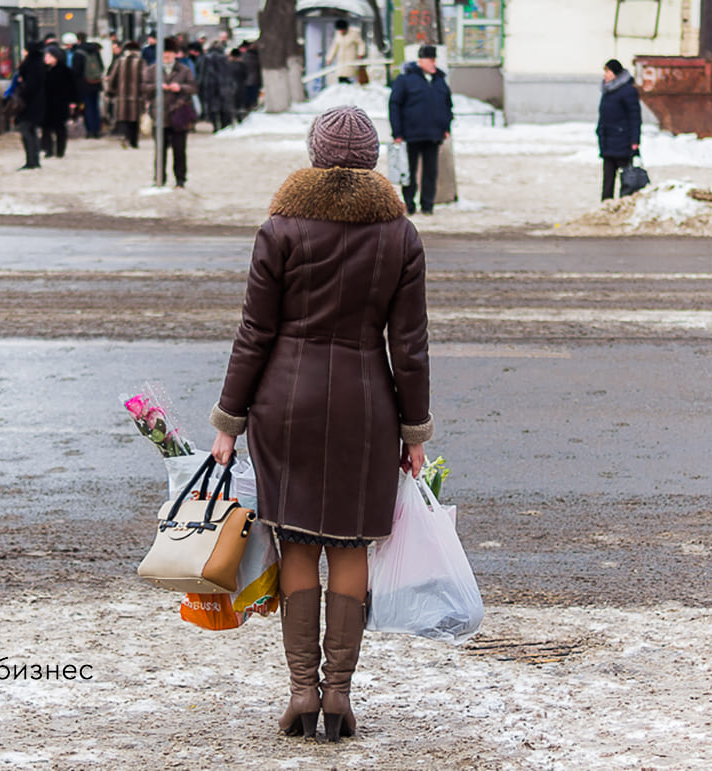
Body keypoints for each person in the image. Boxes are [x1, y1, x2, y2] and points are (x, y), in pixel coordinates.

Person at [209, 105, 432, 743]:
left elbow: (255, 331)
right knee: (352, 546)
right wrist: (415, 431)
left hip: (286, 401)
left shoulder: (280, 229)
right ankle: (339, 697)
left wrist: (229, 419)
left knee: (299, 543)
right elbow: (409, 345)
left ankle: (301, 692)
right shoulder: (400, 235)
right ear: (373, 159)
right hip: (367, 405)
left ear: (315, 155)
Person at [388, 45, 453, 215]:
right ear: (420, 60)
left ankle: (427, 205)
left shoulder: (439, 80)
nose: (433, 63)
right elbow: (394, 105)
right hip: (410, 134)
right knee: (409, 171)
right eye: (429, 59)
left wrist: (446, 127)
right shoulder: (405, 79)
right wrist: (397, 132)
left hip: (433, 134)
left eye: (434, 59)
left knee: (431, 172)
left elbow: (447, 105)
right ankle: (409, 204)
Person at [142, 38, 197, 188]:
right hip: (159, 115)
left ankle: (180, 180)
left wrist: (180, 87)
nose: (166, 56)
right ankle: (159, 179)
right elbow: (144, 88)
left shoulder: (184, 70)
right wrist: (157, 86)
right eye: (164, 53)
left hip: (178, 116)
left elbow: (193, 88)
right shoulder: (152, 70)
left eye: (169, 53)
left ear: (175, 54)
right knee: (160, 151)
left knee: (179, 151)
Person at [596, 59, 642, 201]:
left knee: (627, 177)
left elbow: (635, 117)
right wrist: (600, 132)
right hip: (607, 141)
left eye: (608, 71)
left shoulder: (627, 91)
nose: (605, 74)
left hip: (623, 141)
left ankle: (625, 204)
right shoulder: (607, 91)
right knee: (608, 178)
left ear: (615, 73)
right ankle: (606, 204)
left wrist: (635, 140)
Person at [14, 41, 46, 170]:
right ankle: (35, 159)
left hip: (28, 104)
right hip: (38, 103)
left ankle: (31, 160)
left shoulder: (30, 65)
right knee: (32, 131)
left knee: (26, 130)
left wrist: (21, 91)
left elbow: (29, 86)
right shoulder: (40, 63)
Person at [107, 41, 145, 148]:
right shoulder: (140, 62)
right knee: (135, 119)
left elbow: (112, 77)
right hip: (136, 96)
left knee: (123, 118)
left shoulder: (120, 61)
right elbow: (145, 78)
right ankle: (134, 141)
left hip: (121, 96)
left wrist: (111, 90)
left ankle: (124, 136)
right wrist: (145, 93)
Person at [41, 45, 76, 158]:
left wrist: (72, 101)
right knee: (46, 128)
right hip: (46, 103)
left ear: (56, 57)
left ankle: (60, 150)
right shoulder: (43, 70)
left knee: (59, 128)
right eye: (46, 56)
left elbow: (72, 87)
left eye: (49, 56)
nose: (46, 58)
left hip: (60, 103)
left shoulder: (65, 70)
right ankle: (48, 149)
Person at [326, 20, 365, 85]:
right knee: (341, 75)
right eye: (340, 30)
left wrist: (360, 53)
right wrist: (329, 58)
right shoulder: (337, 34)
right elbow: (334, 46)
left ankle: (351, 85)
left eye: (343, 30)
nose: (341, 31)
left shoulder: (354, 32)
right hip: (341, 58)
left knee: (350, 74)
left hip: (351, 57)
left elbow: (361, 44)